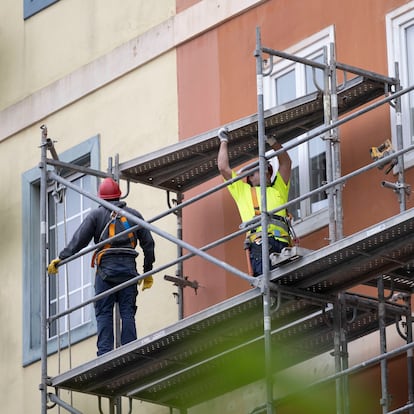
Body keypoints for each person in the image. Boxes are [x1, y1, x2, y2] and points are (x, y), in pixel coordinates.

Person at [47, 177, 155, 356]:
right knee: (127, 311)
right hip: (129, 271)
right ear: (119, 195)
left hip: (106, 272)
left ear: (101, 198)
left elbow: (79, 240)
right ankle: (130, 349)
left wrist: (61, 258)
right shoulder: (134, 215)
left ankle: (105, 353)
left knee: (104, 311)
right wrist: (148, 270)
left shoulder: (96, 216)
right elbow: (148, 243)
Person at [217, 128, 292, 276]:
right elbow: (223, 168)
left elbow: (286, 163)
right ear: (250, 177)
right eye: (260, 170)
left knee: (287, 282)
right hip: (261, 244)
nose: (266, 172)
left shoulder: (278, 189)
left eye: (267, 170)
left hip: (283, 243)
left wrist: (272, 142)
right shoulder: (243, 191)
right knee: (269, 280)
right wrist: (224, 141)